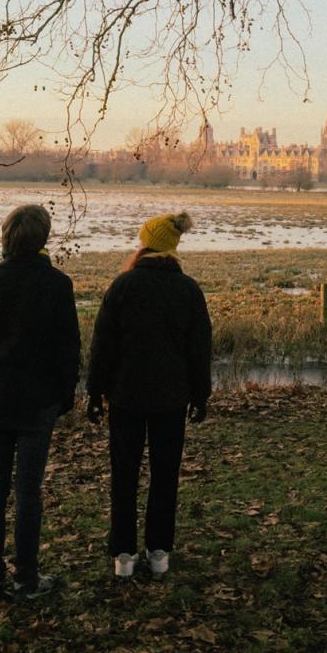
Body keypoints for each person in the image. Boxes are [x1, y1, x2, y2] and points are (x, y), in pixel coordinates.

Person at [0, 204, 80, 600]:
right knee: (29, 490)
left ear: (7, 236)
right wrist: (63, 397)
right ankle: (27, 577)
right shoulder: (57, 285)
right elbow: (68, 350)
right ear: (43, 238)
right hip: (38, 400)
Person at [86, 211, 212, 580]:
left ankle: (123, 555)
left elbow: (103, 347)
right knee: (165, 474)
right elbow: (199, 349)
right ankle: (159, 553)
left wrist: (95, 393)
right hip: (171, 399)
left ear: (145, 246)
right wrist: (200, 396)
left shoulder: (122, 287)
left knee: (123, 473)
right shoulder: (188, 290)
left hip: (125, 396)